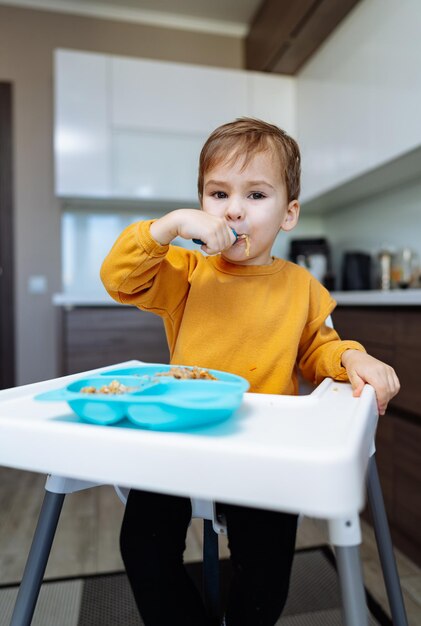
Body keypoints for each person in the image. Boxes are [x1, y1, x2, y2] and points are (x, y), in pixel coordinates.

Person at [100, 118, 400, 626]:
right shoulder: (187, 273)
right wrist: (168, 227)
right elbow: (119, 278)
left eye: (255, 194)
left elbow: (317, 349)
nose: (234, 209)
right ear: (201, 205)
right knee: (142, 547)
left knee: (265, 571)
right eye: (218, 193)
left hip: (266, 446)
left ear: (289, 213)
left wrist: (351, 357)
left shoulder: (302, 287)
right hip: (181, 435)